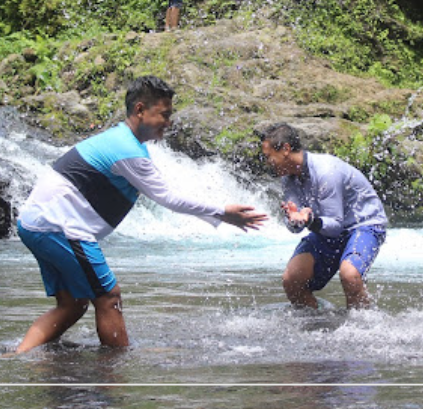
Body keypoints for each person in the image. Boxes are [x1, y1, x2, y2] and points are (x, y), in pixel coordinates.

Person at [15, 75, 267, 354]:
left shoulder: (123, 142)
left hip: (36, 223)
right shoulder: (128, 151)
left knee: (73, 304)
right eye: (164, 115)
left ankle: (17, 357)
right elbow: (167, 198)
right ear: (139, 110)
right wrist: (222, 213)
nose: (169, 123)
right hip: (58, 227)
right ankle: (116, 371)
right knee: (109, 296)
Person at [259, 123, 387, 310]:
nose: (267, 162)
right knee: (292, 279)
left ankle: (363, 328)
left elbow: (335, 224)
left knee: (350, 274)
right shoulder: (288, 178)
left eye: (268, 156)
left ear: (285, 149)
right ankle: (317, 324)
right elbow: (296, 224)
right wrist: (294, 219)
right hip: (327, 228)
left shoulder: (326, 171)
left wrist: (309, 221)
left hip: (364, 224)